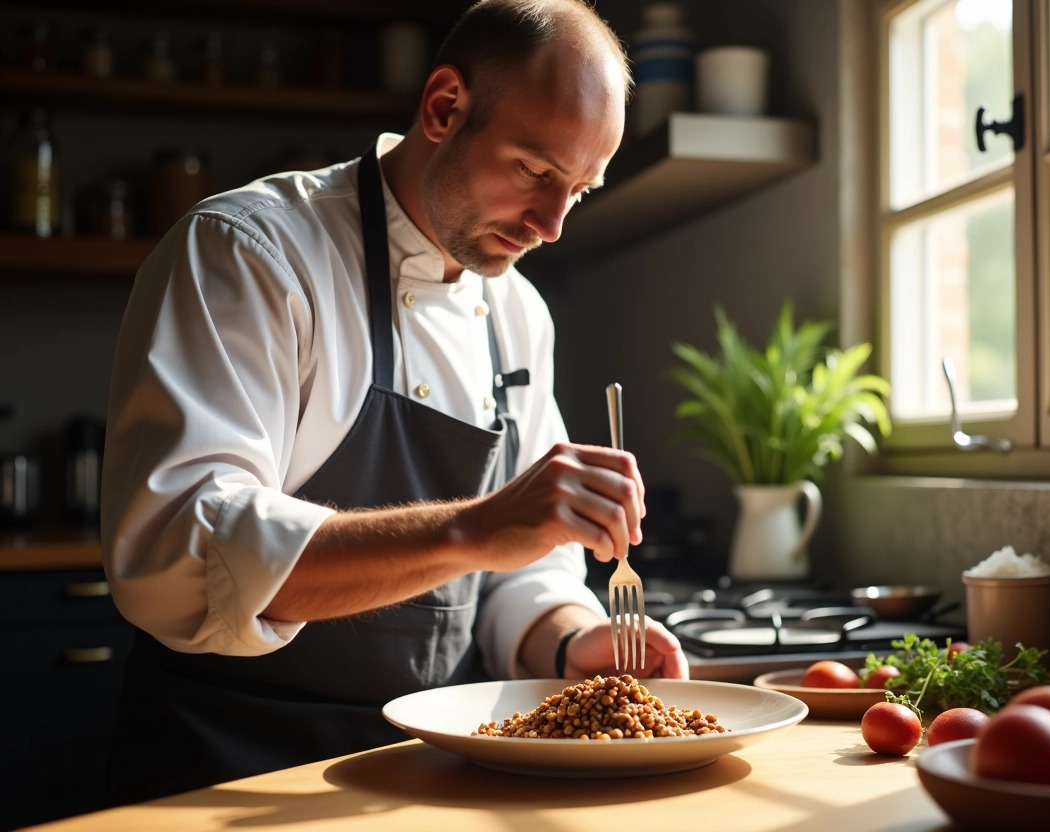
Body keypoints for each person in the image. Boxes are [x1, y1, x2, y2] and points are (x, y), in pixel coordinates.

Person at [100, 0, 687, 804]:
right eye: (535, 171)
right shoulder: (251, 252)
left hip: (431, 768)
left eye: (578, 192)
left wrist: (569, 640)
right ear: (445, 107)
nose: (552, 226)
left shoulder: (515, 311)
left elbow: (523, 571)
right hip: (227, 759)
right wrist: (472, 526)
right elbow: (184, 548)